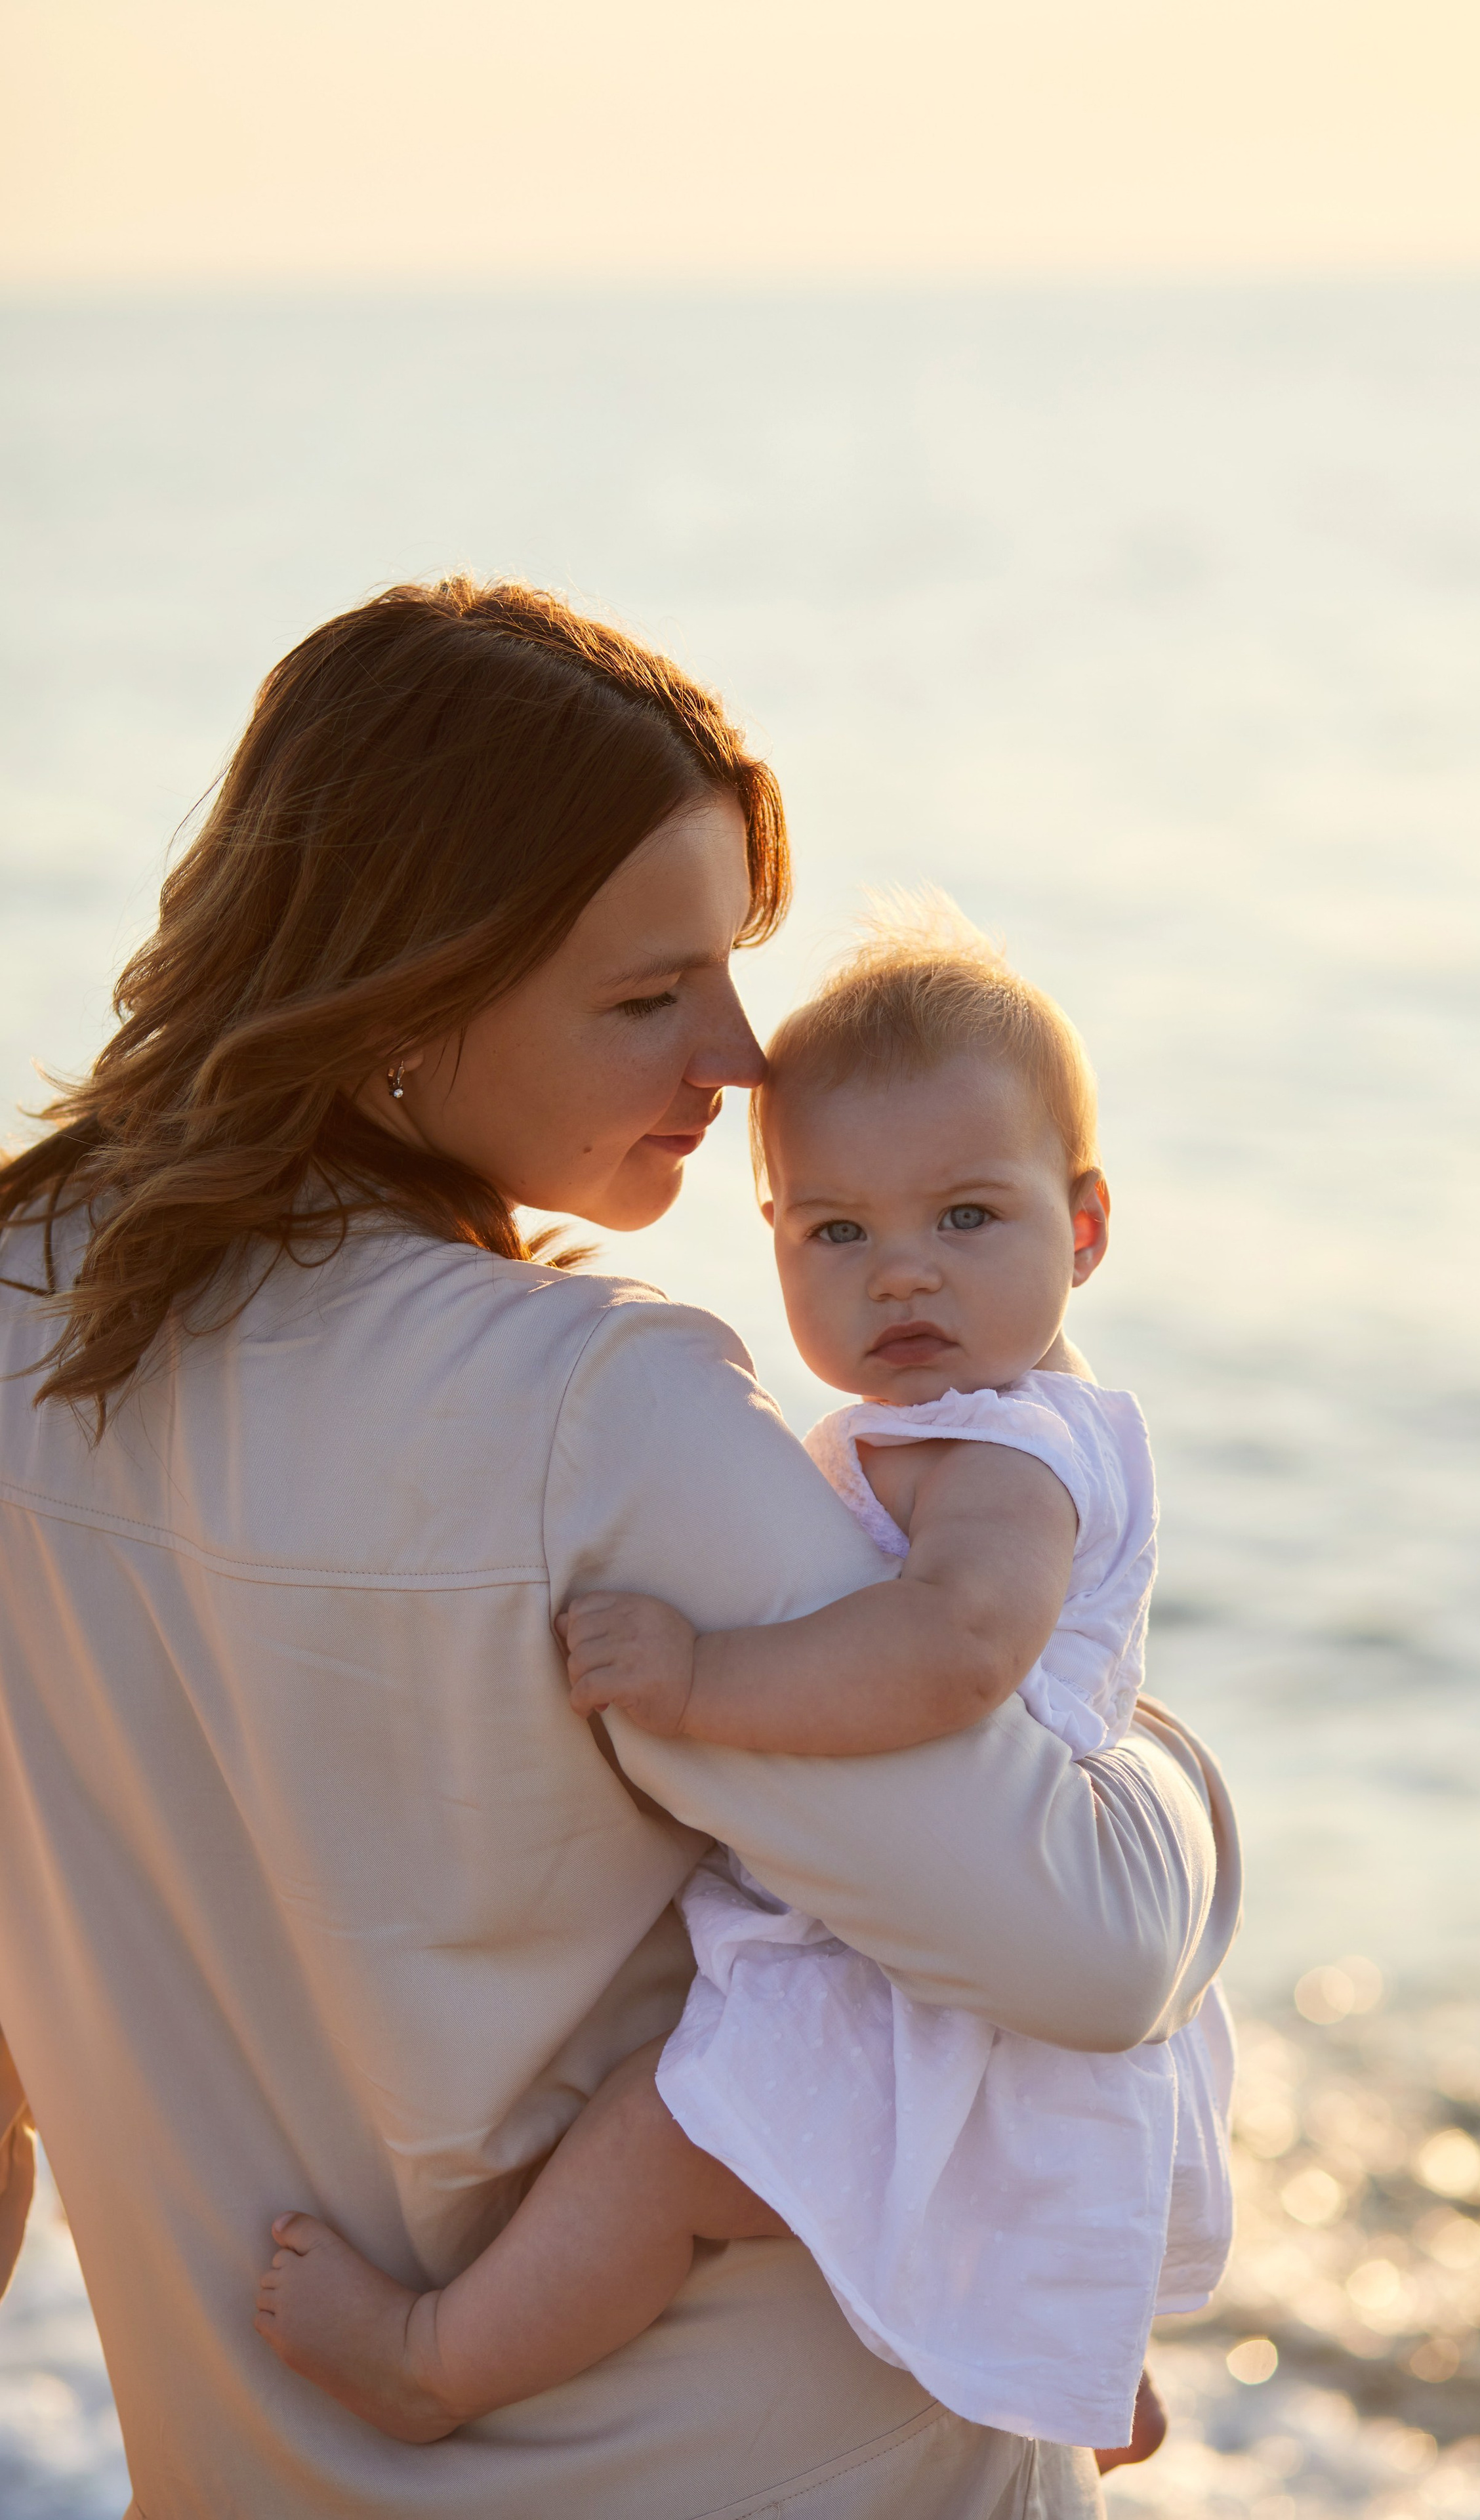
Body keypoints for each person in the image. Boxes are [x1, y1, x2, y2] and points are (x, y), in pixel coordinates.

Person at [0, 577, 1240, 2520]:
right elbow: (1095, 1948)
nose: (744, 1059)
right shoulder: (600, 1412)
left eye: (730, 966)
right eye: (651, 995)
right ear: (407, 998)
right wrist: (1148, 1740)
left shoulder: (19, 1317)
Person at [253, 906, 1236, 2469]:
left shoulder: (1007, 1450)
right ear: (768, 1232)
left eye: (967, 1218)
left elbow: (955, 1650)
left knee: (660, 2140)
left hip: (942, 1966)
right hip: (947, 1934)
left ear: (1087, 1227)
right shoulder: (944, 1418)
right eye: (833, 1232)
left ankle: (433, 2360)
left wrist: (710, 1675)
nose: (900, 1272)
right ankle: (1067, 2358)